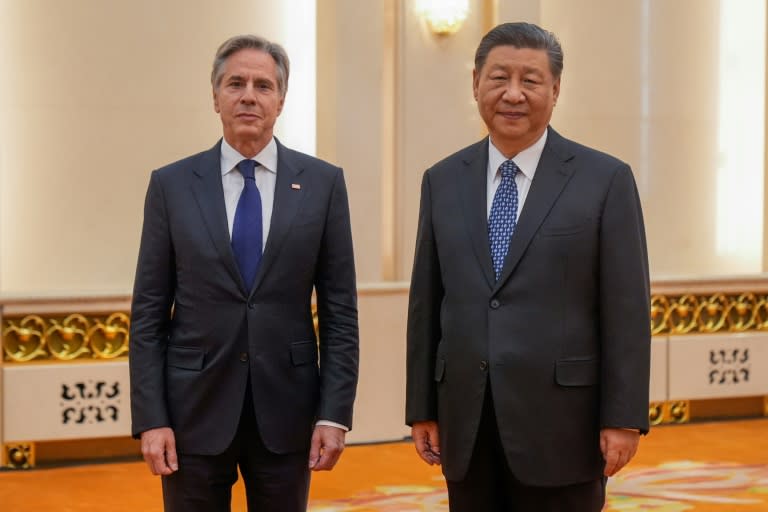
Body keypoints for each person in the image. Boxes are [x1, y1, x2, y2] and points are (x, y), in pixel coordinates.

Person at [406, 22, 651, 511]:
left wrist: (623, 417)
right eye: (499, 78)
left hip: (564, 423)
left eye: (531, 81)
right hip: (467, 422)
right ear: (476, 82)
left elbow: (626, 309)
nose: (513, 94)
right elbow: (427, 303)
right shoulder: (443, 180)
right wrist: (422, 408)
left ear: (555, 89)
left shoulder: (604, 180)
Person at [129, 34, 359, 512]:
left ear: (280, 100)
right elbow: (148, 314)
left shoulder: (323, 184)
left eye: (263, 85)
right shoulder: (171, 185)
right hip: (192, 415)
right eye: (235, 83)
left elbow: (341, 314)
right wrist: (152, 419)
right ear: (215, 97)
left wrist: (334, 414)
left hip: (288, 414)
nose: (249, 95)